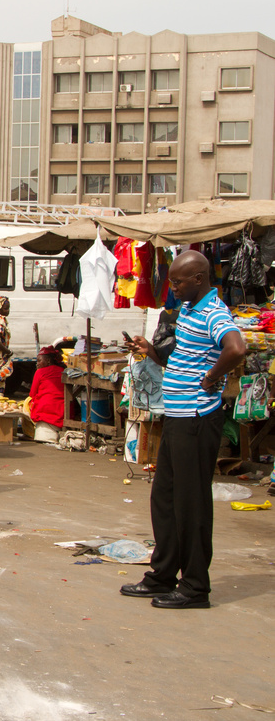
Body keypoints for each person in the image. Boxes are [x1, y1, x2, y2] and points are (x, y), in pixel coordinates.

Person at [121, 250, 245, 609]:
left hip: (196, 418)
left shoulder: (213, 311)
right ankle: (162, 574)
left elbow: (236, 348)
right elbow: (180, 359)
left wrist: (211, 377)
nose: (171, 287)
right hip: (177, 417)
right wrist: (151, 351)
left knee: (191, 505)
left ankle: (195, 588)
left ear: (199, 280)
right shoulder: (189, 311)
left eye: (177, 281)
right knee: (165, 499)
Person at [26, 345, 65, 442]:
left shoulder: (40, 372)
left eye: (39, 361)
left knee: (27, 402)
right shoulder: (63, 371)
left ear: (48, 361)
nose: (37, 364)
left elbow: (32, 393)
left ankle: (29, 432)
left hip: (46, 410)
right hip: (63, 410)